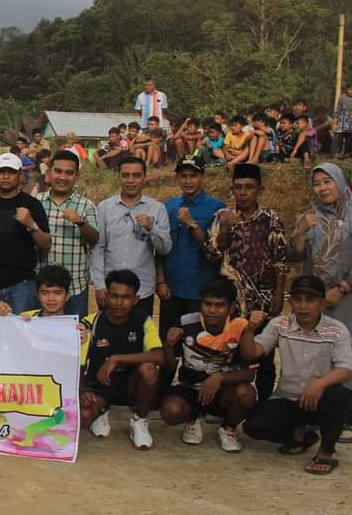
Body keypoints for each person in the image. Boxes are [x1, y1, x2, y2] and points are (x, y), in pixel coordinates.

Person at [288, 164, 352, 444]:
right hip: (312, 302)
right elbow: (293, 256)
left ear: (339, 183)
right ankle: (315, 417)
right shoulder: (309, 217)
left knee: (349, 358)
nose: (322, 188)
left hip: (349, 300)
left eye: (328, 181)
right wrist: (300, 232)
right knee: (314, 357)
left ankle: (344, 422)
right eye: (316, 183)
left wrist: (342, 287)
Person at [241, 275, 352, 475]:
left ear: (322, 303)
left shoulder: (337, 330)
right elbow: (251, 353)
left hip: (321, 400)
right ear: (290, 301)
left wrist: (319, 384)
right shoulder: (279, 325)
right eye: (298, 299)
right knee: (253, 426)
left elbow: (347, 369)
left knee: (339, 394)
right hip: (288, 398)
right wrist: (249, 330)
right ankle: (300, 435)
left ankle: (326, 451)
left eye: (310, 300)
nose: (303, 306)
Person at [206, 163, 287, 400]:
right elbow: (211, 254)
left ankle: (262, 405)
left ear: (259, 189)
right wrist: (225, 232)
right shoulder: (222, 217)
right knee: (229, 354)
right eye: (238, 187)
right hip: (231, 303)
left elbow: (280, 258)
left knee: (264, 356)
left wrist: (279, 293)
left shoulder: (271, 218)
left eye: (248, 187)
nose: (243, 192)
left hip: (262, 300)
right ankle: (226, 404)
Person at [160, 278, 256, 452]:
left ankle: (228, 428)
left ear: (232, 307)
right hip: (190, 387)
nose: (212, 310)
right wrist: (168, 345)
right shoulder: (185, 322)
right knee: (170, 411)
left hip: (223, 391)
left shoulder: (240, 327)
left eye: (219, 305)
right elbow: (169, 367)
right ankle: (193, 418)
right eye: (207, 304)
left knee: (247, 393)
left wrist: (219, 377)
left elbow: (249, 374)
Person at [78, 269, 164, 450]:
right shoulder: (90, 323)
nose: (119, 303)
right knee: (84, 416)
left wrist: (116, 359)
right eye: (114, 296)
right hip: (100, 385)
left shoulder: (143, 321)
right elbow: (78, 364)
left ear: (136, 299)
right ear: (105, 296)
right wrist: (82, 390)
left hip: (131, 385)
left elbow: (159, 356)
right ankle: (102, 411)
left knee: (149, 370)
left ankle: (139, 419)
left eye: (126, 297)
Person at [91, 156, 171, 319]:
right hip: (110, 290)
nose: (130, 180)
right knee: (108, 339)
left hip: (142, 290)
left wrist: (151, 228)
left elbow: (165, 249)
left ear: (144, 178)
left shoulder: (157, 208)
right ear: (119, 177)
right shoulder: (105, 208)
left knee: (141, 339)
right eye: (125, 175)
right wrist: (99, 285)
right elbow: (98, 249)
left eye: (136, 175)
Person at [0, 153, 50, 314]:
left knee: (22, 334)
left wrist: (31, 224)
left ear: (20, 175)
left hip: (22, 286)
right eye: (1, 172)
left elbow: (45, 245)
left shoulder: (32, 205)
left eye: (11, 172)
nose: (6, 177)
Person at [156, 157, 224, 344]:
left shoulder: (216, 207)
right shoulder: (168, 206)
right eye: (183, 176)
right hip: (172, 288)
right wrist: (160, 281)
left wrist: (192, 224)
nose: (188, 180)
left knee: (198, 344)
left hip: (201, 289)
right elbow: (160, 246)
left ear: (202, 177)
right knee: (168, 343)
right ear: (177, 178)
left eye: (193, 176)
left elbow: (215, 248)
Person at [39, 151, 98, 319]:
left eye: (69, 172)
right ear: (49, 173)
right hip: (44, 289)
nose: (62, 177)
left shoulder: (86, 205)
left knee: (75, 337)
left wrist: (80, 222)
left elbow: (94, 238)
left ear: (76, 176)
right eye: (58, 171)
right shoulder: (36, 201)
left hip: (75, 287)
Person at [334, 81, 352, 158]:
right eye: (351, 89)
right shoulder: (342, 97)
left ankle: (347, 152)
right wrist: (335, 119)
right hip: (342, 121)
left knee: (350, 138)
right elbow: (338, 109)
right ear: (347, 89)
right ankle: (338, 151)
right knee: (340, 136)